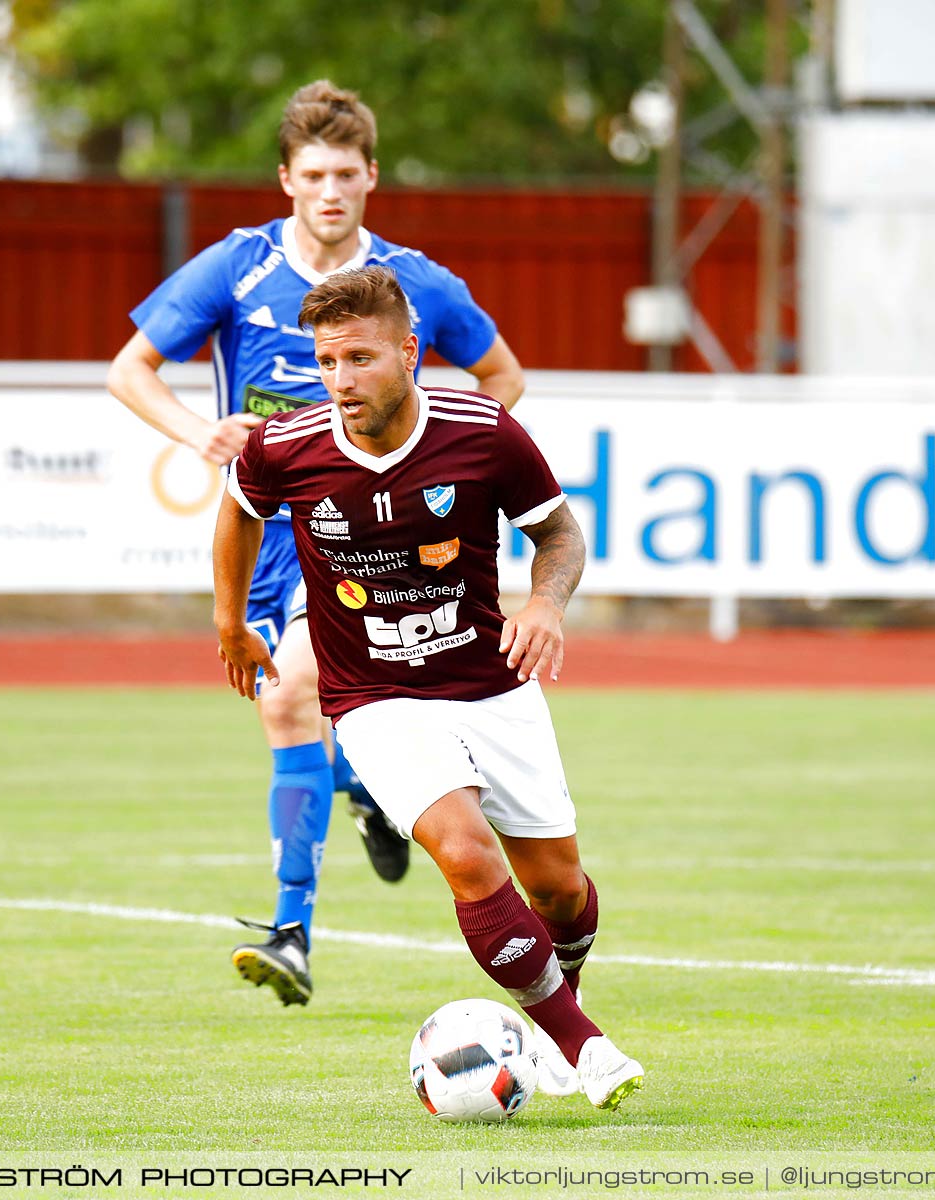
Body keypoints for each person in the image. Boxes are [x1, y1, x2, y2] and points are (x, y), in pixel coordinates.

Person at [107, 81, 524, 1008]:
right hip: (258, 533)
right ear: (286, 180)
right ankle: (372, 785)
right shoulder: (238, 268)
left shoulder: (413, 282)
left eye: (347, 174)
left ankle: (292, 928)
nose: (330, 191)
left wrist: (431, 472)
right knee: (286, 716)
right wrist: (195, 432)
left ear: (372, 177)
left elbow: (503, 378)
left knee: (292, 692)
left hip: (355, 537)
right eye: (314, 175)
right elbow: (128, 370)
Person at [212, 265, 644, 1111]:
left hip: (491, 685)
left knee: (558, 885)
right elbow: (237, 506)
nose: (341, 381)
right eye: (327, 362)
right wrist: (229, 621)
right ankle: (584, 1048)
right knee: (465, 852)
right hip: (373, 700)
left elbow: (559, 534)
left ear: (409, 352)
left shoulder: (483, 431)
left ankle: (564, 1001)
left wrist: (545, 606)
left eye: (361, 359)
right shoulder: (285, 445)